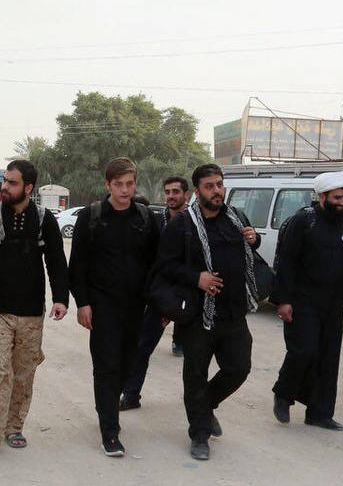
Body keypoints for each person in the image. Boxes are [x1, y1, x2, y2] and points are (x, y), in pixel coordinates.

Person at [154, 164, 260, 460]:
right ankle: (199, 434)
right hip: (198, 315)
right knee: (196, 375)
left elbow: (250, 252)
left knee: (239, 368)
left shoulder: (236, 217)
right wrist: (196, 278)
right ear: (197, 191)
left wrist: (254, 239)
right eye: (210, 186)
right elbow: (164, 266)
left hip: (233, 312)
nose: (217, 191)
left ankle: (205, 405)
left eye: (220, 184)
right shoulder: (182, 224)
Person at [0, 159, 69, 458]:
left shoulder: (44, 219)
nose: (5, 187)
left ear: (28, 187)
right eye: (4, 181)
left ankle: (14, 427)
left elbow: (56, 260)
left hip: (31, 311)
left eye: (12, 183)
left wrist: (61, 298)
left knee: (24, 373)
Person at [68, 157, 160, 457]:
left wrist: (158, 305)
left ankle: (107, 407)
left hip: (136, 307)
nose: (124, 190)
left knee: (129, 364)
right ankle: (110, 431)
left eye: (129, 184)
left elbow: (157, 264)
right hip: (102, 306)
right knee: (106, 366)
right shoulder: (91, 217)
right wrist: (83, 303)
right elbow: (77, 264)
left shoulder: (146, 219)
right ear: (108, 184)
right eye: (118, 184)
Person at [270, 172, 343, 429]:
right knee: (303, 350)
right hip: (303, 300)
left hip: (332, 301)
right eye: (337, 198)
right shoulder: (303, 221)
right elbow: (286, 262)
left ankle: (320, 413)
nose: (342, 202)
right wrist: (283, 300)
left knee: (328, 358)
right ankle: (283, 393)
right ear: (322, 196)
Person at [120, 175, 190, 410]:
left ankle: (200, 406)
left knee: (196, 355)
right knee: (141, 347)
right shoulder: (156, 221)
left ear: (187, 194)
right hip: (157, 295)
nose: (171, 196)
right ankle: (131, 395)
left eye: (176, 192)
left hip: (187, 295)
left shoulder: (195, 224)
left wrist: (174, 302)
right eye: (167, 192)